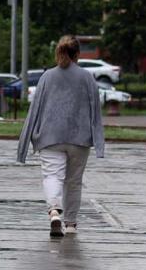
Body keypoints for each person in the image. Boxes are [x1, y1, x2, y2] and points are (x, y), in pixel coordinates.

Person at [17, 35, 105, 238]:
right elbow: (95, 110)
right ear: (78, 54)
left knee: (52, 176)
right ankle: (71, 224)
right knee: (74, 181)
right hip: (79, 138)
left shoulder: (47, 77)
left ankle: (54, 211)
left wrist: (26, 139)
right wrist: (97, 140)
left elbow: (35, 108)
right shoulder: (87, 77)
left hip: (50, 137)